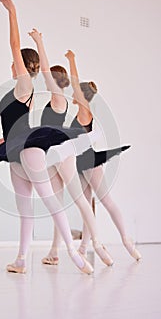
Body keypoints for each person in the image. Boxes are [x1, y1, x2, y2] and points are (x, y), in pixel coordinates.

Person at [0, 0, 101, 274]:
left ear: (21, 65)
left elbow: (14, 45)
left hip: (28, 151)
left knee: (51, 201)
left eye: (15, 60)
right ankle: (21, 260)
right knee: (25, 209)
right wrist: (7, 138)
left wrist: (12, 12)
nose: (12, 62)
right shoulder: (19, 90)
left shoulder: (24, 83)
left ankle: (73, 255)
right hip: (15, 151)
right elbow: (16, 121)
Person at [41, 49, 141, 265]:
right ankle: (86, 246)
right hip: (80, 165)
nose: (73, 93)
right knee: (88, 205)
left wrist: (72, 60)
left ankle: (127, 241)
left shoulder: (86, 111)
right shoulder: (77, 115)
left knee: (106, 201)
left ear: (82, 96)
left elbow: (76, 85)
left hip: (92, 164)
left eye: (77, 92)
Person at [29, 28, 114, 268]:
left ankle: (95, 244)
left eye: (50, 78)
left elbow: (46, 70)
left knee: (81, 201)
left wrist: (39, 42)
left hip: (62, 156)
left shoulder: (58, 97)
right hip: (54, 156)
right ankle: (55, 251)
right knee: (57, 204)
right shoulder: (56, 100)